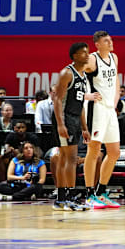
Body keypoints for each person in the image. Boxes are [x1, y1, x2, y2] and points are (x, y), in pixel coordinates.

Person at [51, 42, 94, 211]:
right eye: (83, 52)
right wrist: (61, 124)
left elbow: (81, 103)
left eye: (88, 52)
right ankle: (68, 196)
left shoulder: (83, 76)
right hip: (65, 118)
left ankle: (62, 199)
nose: (87, 55)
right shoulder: (67, 73)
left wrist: (84, 128)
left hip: (75, 118)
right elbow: (57, 100)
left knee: (66, 158)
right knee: (69, 158)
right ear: (74, 55)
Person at [83, 30, 122, 209]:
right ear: (97, 44)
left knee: (114, 152)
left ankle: (101, 192)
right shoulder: (91, 59)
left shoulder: (114, 58)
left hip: (109, 110)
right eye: (106, 40)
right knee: (94, 150)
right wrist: (86, 95)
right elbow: (71, 76)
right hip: (95, 109)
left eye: (110, 39)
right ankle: (89, 194)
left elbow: (115, 81)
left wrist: (114, 102)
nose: (110, 42)